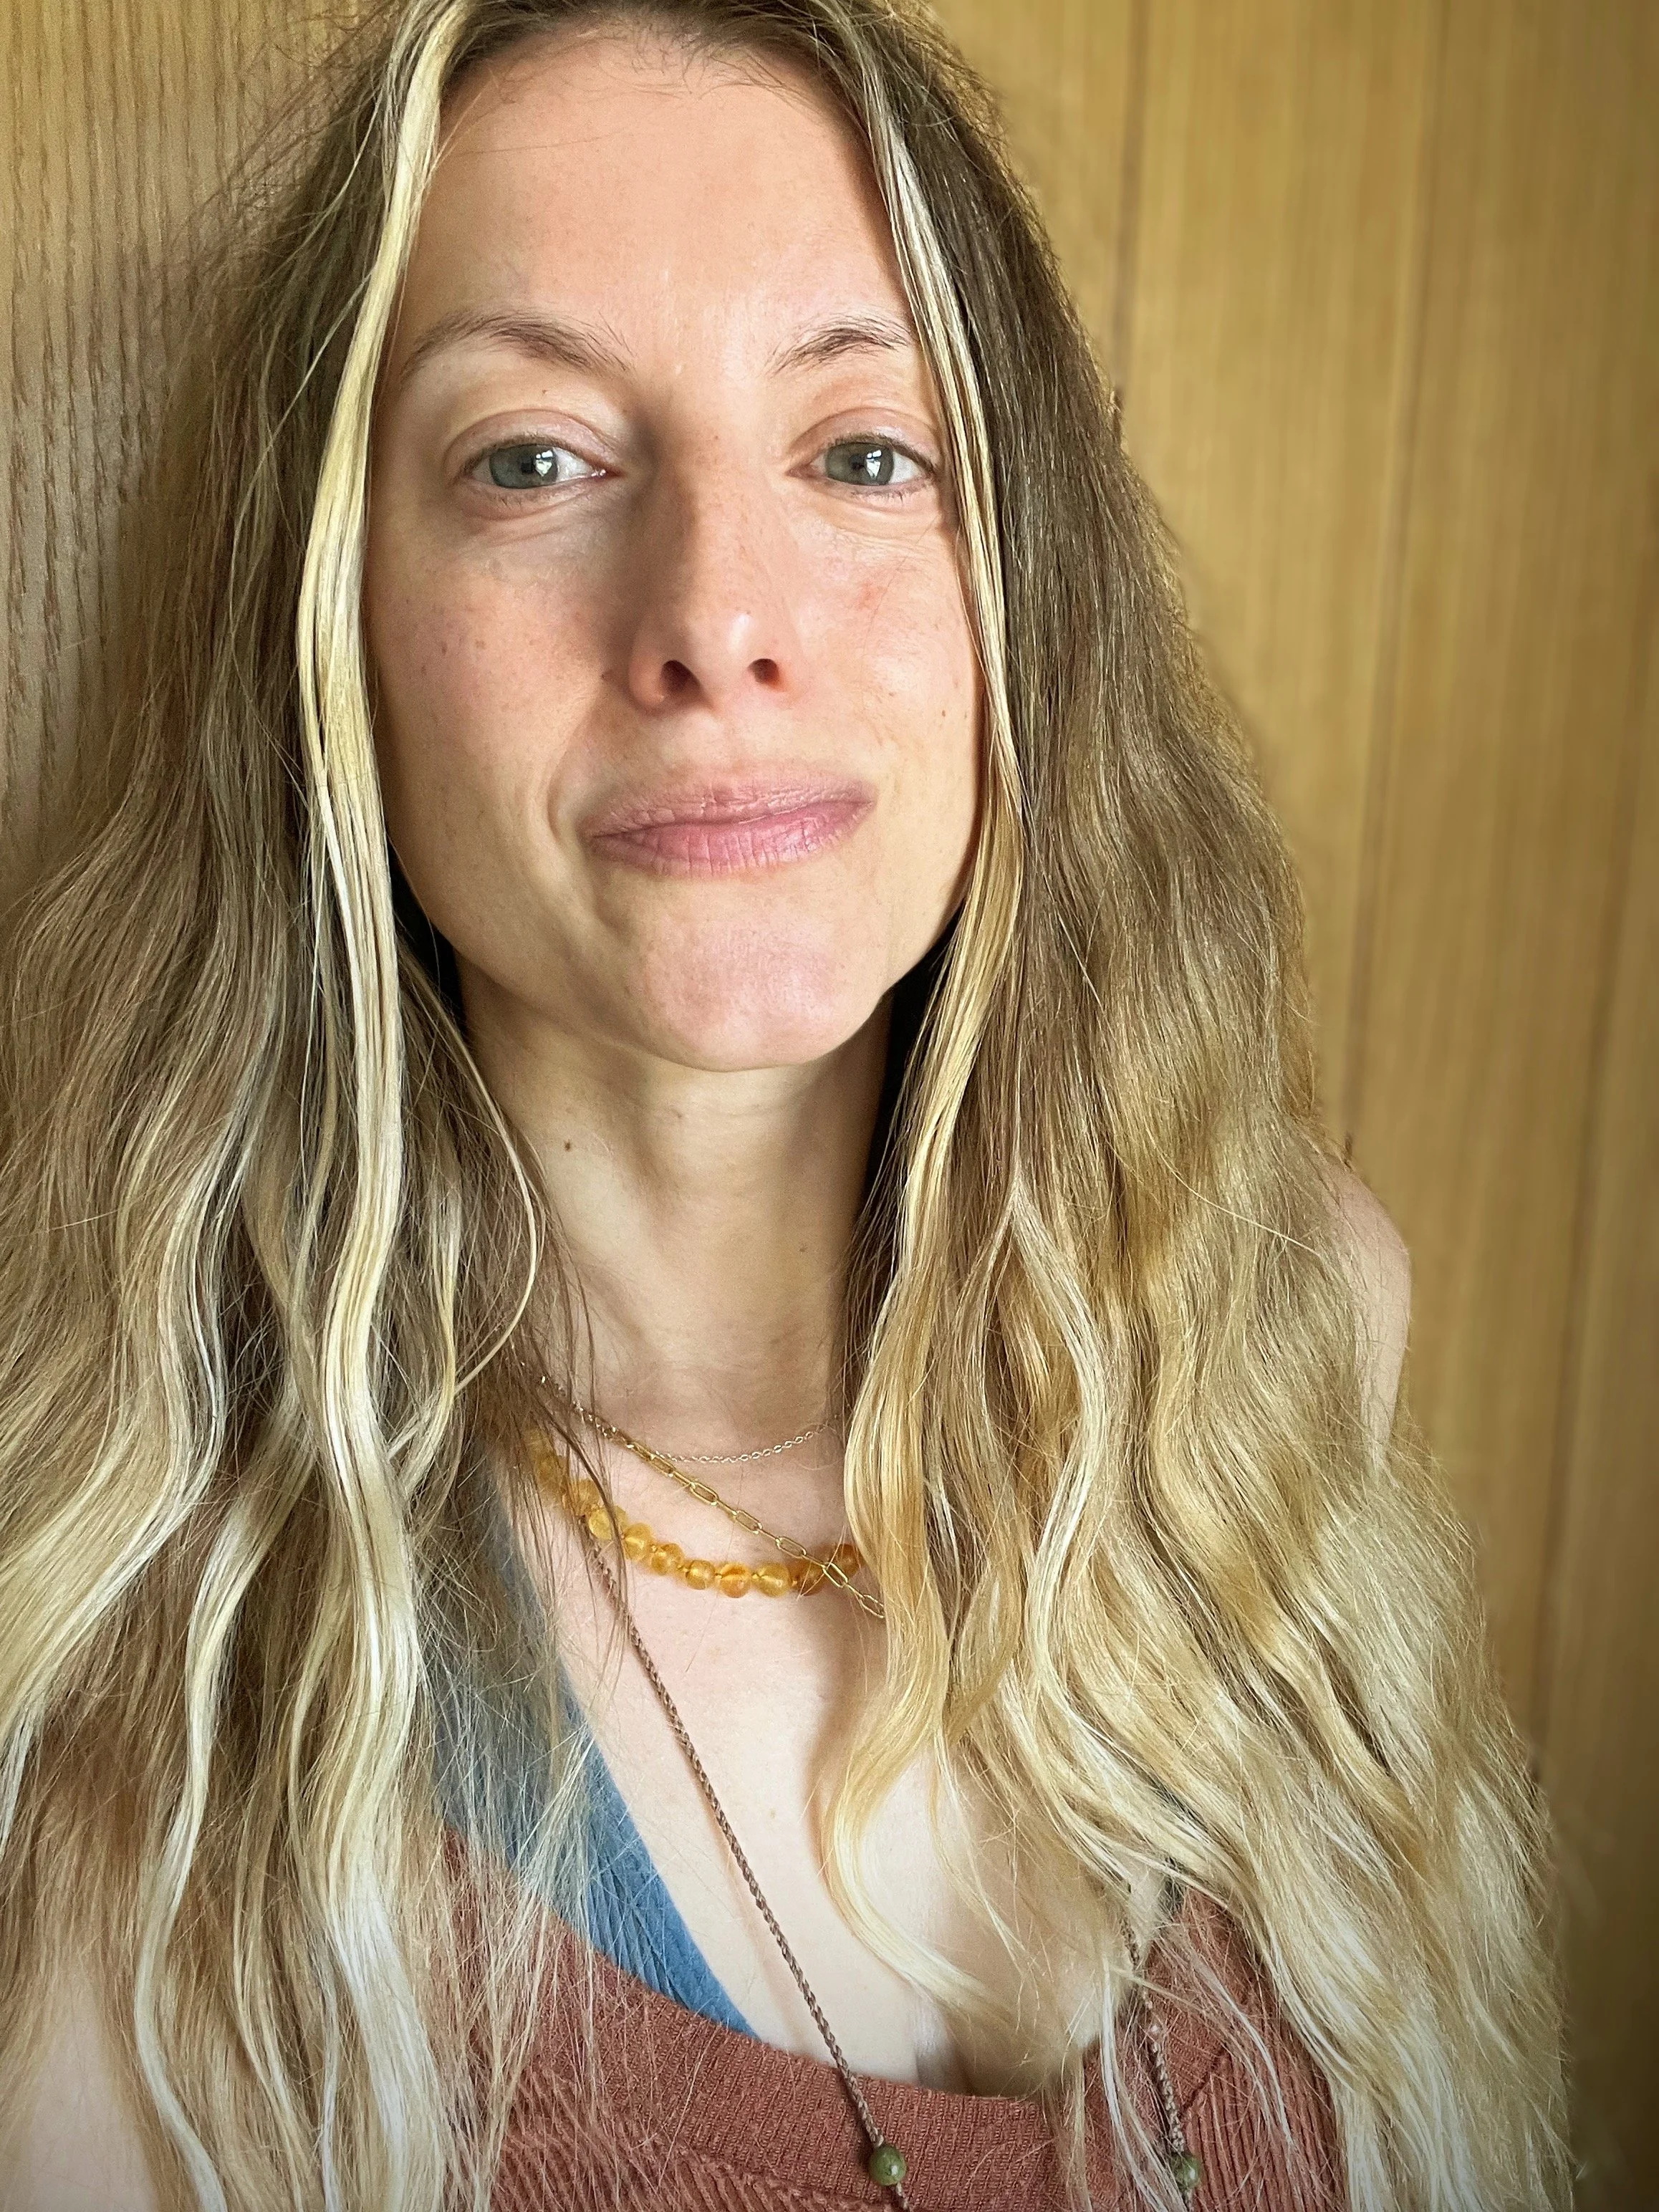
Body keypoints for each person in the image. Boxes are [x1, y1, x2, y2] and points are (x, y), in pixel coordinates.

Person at [0, 1, 1568, 2206]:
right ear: (329, 627)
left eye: (862, 454)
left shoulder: (1278, 1317)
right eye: (531, 460)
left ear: (1020, 595)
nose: (718, 619)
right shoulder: (150, 1660)